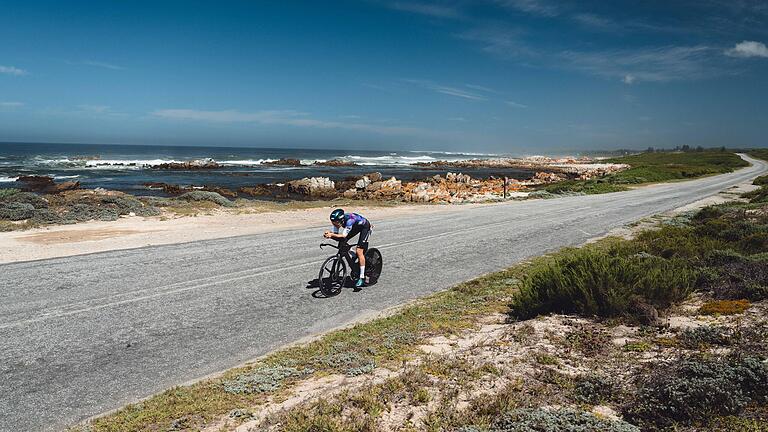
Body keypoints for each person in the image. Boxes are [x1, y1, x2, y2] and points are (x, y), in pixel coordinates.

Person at [324, 208, 372, 288]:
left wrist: (331, 235)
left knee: (359, 251)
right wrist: (330, 235)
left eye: (336, 223)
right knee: (342, 243)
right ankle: (353, 254)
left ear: (341, 220)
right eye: (333, 223)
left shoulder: (349, 221)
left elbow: (343, 235)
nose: (335, 225)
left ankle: (362, 277)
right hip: (355, 227)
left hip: (365, 227)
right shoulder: (337, 222)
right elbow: (338, 237)